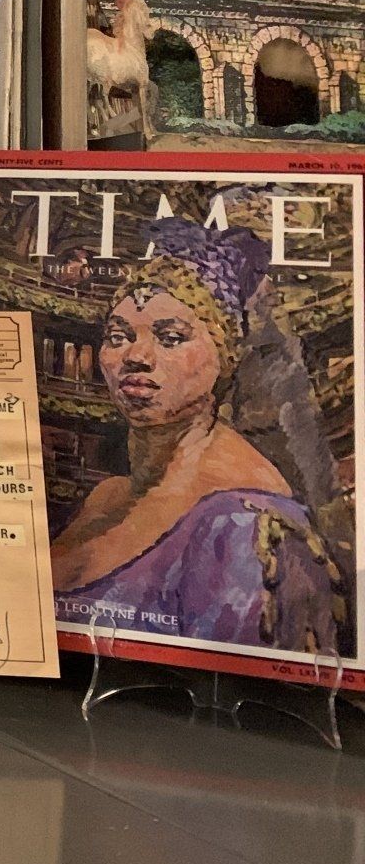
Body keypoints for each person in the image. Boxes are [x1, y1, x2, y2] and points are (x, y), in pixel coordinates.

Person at [51, 220, 344, 655]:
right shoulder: (105, 496)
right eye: (118, 337)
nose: (136, 357)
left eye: (171, 338)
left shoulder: (245, 525)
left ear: (224, 357)